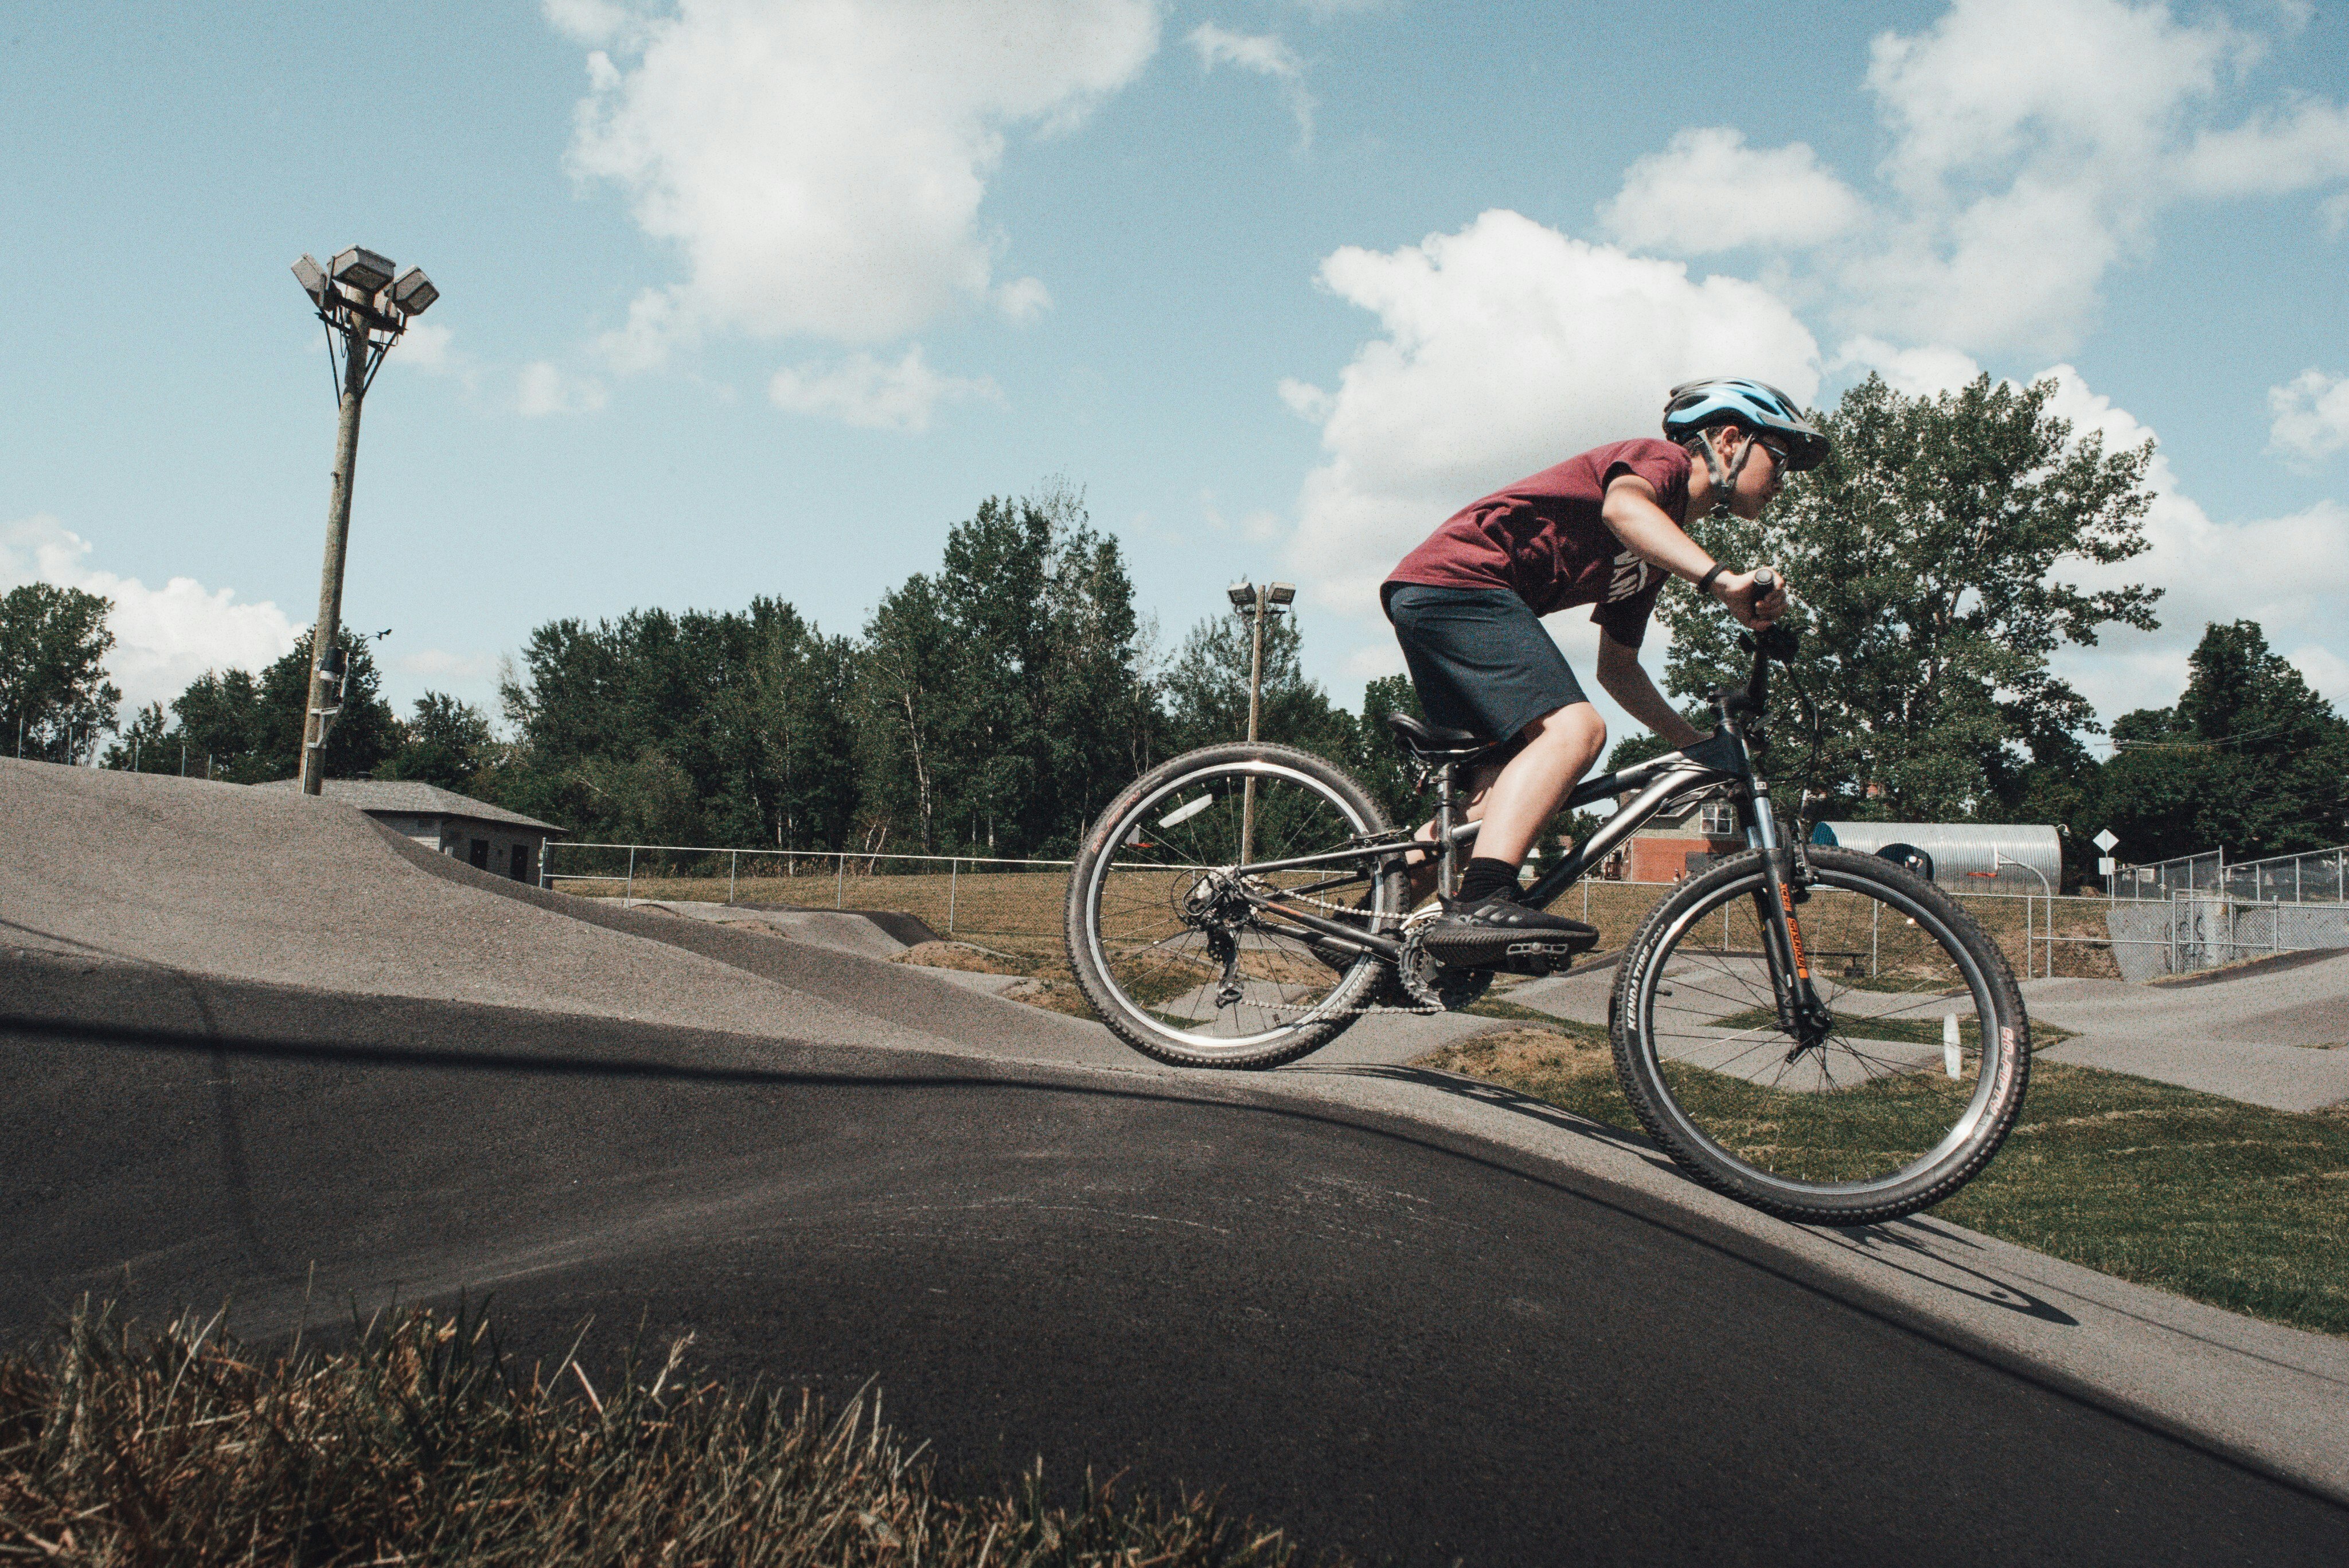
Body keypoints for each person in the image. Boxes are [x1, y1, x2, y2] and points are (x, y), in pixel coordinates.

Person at [1380, 377, 1827, 962]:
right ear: (1728, 441)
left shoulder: (1653, 554)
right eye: (1780, 458)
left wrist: (1697, 745)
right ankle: (1482, 902)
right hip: (1462, 581)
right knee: (1578, 731)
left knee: (1488, 813)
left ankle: (1361, 933)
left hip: (1436, 595)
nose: (1783, 481)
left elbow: (1618, 669)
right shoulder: (1661, 462)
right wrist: (1722, 581)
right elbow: (1622, 507)